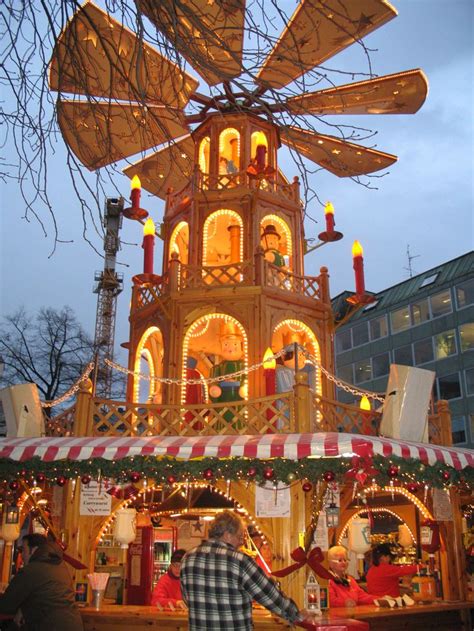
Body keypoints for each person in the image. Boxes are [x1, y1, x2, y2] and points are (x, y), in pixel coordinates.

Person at [180, 510, 310, 630]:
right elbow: (270, 596)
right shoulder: (240, 560)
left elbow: (187, 599)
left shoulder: (188, 558)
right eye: (239, 537)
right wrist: (296, 615)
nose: (241, 542)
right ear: (227, 535)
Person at [0, 533, 84, 631]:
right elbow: (44, 598)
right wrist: (23, 609)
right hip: (72, 624)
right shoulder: (59, 565)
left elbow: (5, 606)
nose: (22, 555)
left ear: (34, 549)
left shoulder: (30, 570)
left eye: (24, 550)